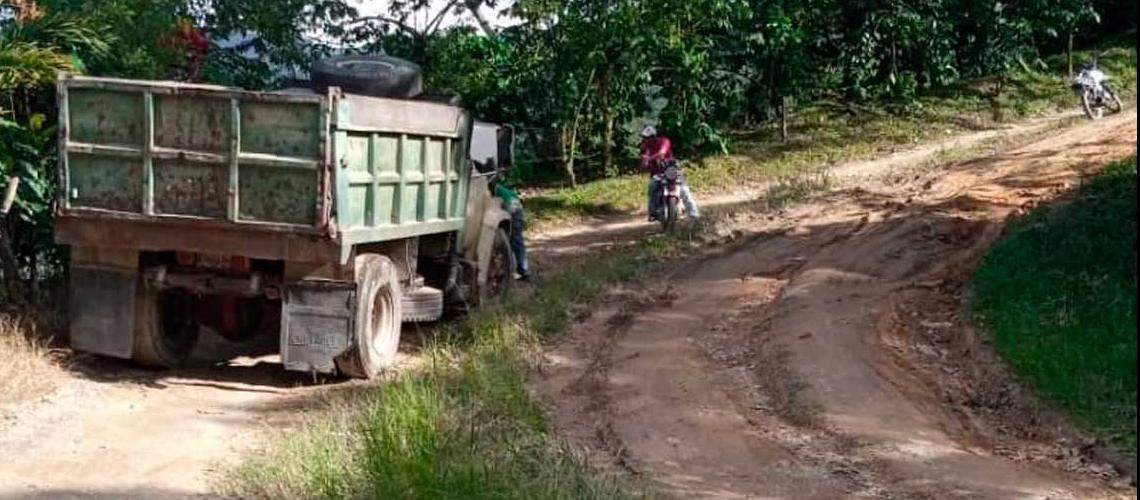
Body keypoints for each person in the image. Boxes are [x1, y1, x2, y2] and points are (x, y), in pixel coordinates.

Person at [639, 125, 699, 221]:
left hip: (670, 169)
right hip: (657, 174)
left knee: (683, 189)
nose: (646, 140)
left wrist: (649, 159)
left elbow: (662, 153)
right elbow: (643, 165)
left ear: (654, 136)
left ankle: (693, 213)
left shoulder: (664, 141)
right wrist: (644, 163)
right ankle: (653, 212)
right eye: (645, 138)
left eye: (647, 138)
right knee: (652, 187)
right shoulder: (646, 148)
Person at [493, 180, 531, 282]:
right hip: (517, 214)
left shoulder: (497, 192)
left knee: (515, 244)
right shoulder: (504, 191)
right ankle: (517, 270)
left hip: (513, 215)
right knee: (515, 244)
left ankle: (523, 271)